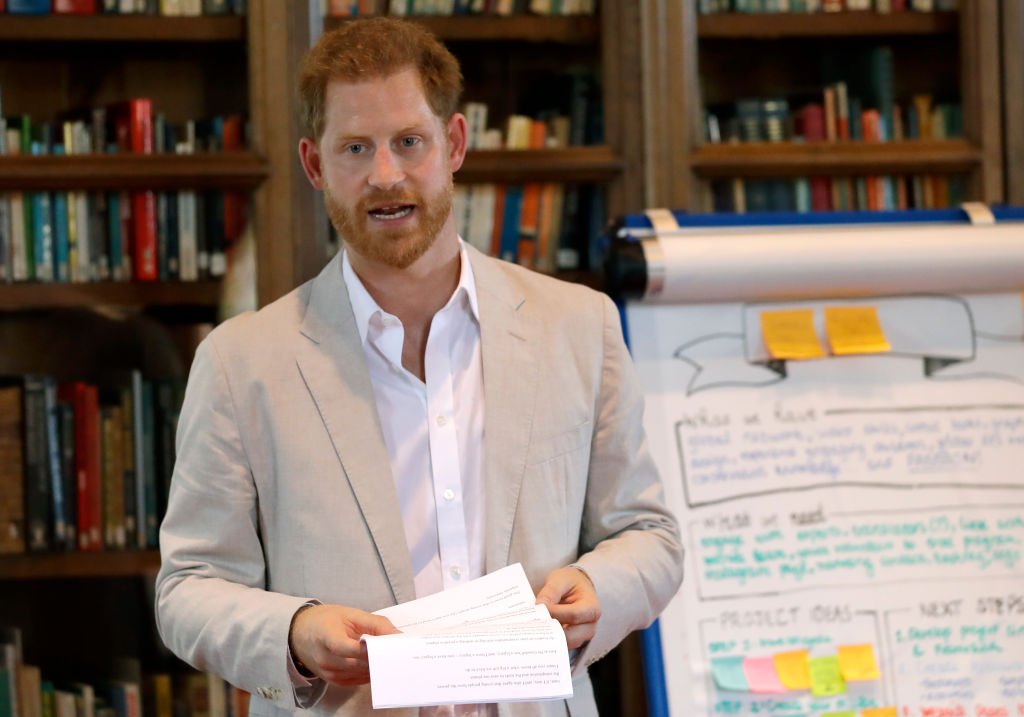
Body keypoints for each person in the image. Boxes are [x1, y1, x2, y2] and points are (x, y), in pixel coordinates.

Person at [154, 16, 683, 717]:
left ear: (454, 144)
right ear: (315, 165)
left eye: (409, 141)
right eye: (355, 148)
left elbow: (649, 536)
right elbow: (188, 585)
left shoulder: (577, 327)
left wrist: (598, 589)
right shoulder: (239, 362)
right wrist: (294, 629)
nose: (385, 175)